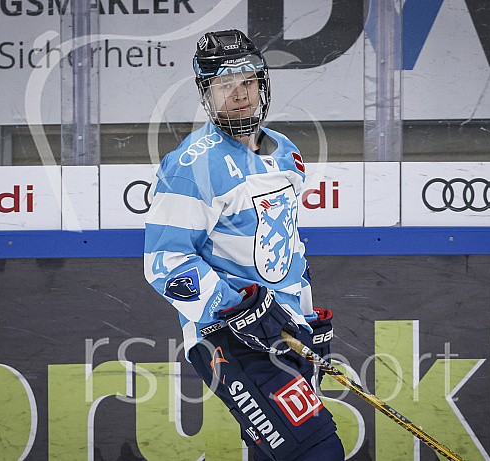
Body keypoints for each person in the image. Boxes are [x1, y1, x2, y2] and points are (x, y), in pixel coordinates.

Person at [143, 29, 344, 461]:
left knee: (273, 454)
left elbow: (286, 246)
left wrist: (306, 317)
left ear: (262, 83)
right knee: (316, 450)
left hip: (285, 332)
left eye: (248, 80)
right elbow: (166, 262)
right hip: (227, 339)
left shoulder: (286, 154)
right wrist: (235, 306)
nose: (239, 93)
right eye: (224, 84)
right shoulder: (190, 166)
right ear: (206, 93)